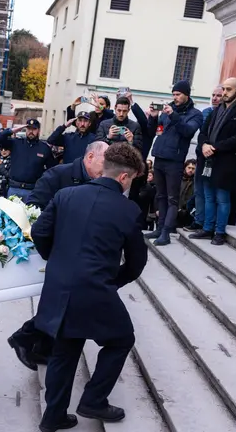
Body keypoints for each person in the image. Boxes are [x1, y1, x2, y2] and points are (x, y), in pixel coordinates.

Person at [32, 143, 147, 432]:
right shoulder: (129, 210)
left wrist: (56, 261)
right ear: (123, 177)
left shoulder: (66, 195)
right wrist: (112, 282)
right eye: (132, 179)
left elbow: (39, 232)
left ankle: (53, 416)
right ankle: (93, 400)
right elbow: (136, 263)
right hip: (96, 289)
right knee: (121, 339)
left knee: (65, 350)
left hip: (59, 286)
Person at [9, 141, 109, 370]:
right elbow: (34, 208)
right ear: (90, 156)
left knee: (64, 303)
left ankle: (38, 346)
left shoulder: (97, 181)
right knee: (62, 302)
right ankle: (24, 338)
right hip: (57, 248)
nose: (106, 169)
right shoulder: (58, 175)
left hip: (80, 251)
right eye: (104, 163)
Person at [189, 77, 236, 245]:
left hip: (226, 162)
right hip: (208, 160)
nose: (224, 93)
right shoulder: (215, 111)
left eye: (228, 90)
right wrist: (204, 145)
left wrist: (214, 147)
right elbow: (203, 132)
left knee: (222, 198)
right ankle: (207, 228)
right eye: (223, 89)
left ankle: (219, 232)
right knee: (208, 196)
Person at [146, 80, 204, 246]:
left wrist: (173, 115)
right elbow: (154, 131)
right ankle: (159, 227)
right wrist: (153, 117)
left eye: (178, 94)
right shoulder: (166, 111)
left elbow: (187, 131)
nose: (175, 97)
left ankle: (166, 232)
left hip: (175, 160)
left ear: (187, 95)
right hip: (160, 157)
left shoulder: (195, 114)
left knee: (172, 199)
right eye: (173, 95)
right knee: (161, 195)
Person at [188, 85, 224, 231]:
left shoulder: (228, 114)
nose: (215, 98)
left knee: (213, 195)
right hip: (201, 157)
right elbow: (202, 133)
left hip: (217, 160)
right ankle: (199, 220)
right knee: (199, 191)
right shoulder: (205, 112)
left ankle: (211, 223)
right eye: (213, 95)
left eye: (219, 95)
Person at [0, 119, 56, 200]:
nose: (31, 131)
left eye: (34, 129)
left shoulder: (44, 148)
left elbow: (51, 169)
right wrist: (10, 131)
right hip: (14, 188)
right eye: (29, 129)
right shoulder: (16, 143)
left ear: (38, 130)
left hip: (32, 190)